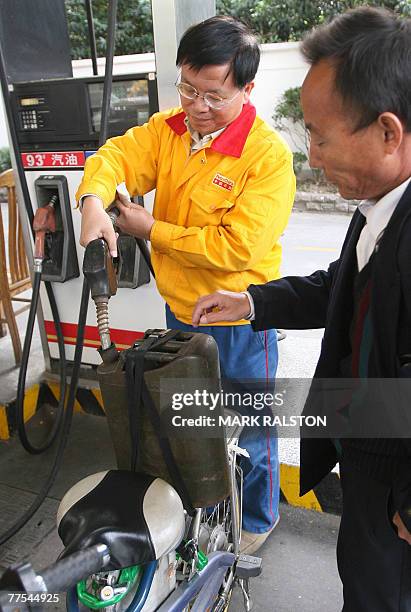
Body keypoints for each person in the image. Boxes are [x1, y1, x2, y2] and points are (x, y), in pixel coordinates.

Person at [192, 6, 411, 610]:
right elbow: (341, 285)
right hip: (368, 459)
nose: (310, 155)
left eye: (318, 134)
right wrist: (252, 301)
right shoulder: (381, 207)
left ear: (388, 132)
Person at [77, 16, 296, 554]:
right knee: (195, 418)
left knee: (251, 427)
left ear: (247, 89)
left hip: (242, 319)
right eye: (188, 89)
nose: (197, 106)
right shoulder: (170, 129)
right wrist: (90, 201)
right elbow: (116, 156)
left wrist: (151, 230)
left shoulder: (267, 158)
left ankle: (258, 519)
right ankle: (204, 507)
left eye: (213, 96)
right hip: (181, 312)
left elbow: (235, 248)